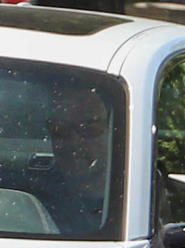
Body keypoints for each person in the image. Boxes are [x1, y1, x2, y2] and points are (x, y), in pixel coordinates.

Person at [22, 87, 115, 234]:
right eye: (60, 129)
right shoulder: (30, 204)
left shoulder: (140, 198)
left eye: (89, 128)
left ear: (115, 132)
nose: (74, 142)